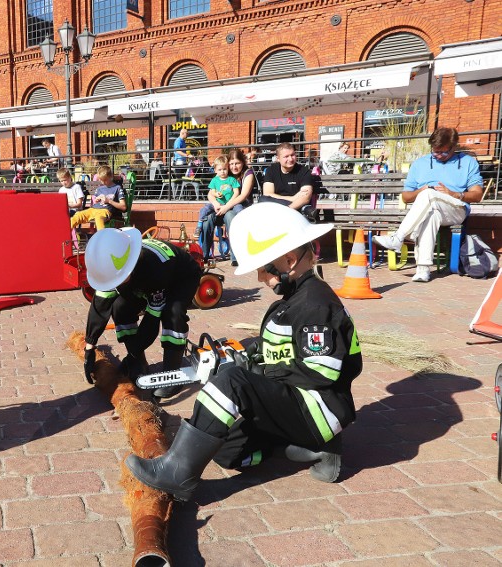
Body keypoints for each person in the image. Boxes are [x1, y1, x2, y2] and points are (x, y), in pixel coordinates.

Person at [126, 202, 362, 501]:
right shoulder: (294, 299)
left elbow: (321, 370)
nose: (262, 278)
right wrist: (247, 354)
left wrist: (254, 372)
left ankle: (177, 474)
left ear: (289, 259)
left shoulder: (315, 305)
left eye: (265, 269)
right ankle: (315, 449)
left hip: (318, 408)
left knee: (231, 383)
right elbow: (280, 350)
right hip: (296, 403)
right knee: (226, 450)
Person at [82, 227, 203, 399]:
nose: (113, 283)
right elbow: (99, 307)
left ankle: (173, 375)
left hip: (180, 276)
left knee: (172, 313)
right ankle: (139, 362)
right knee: (120, 307)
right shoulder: (112, 266)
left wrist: (130, 355)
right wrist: (89, 347)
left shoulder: (154, 271)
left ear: (129, 266)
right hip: (143, 277)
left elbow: (151, 322)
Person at [372, 127, 483, 283]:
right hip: (430, 207)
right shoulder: (420, 163)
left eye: (443, 152)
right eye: (435, 152)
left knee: (428, 196)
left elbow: (478, 195)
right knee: (431, 214)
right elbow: (405, 197)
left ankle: (398, 237)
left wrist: (454, 194)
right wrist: (420, 191)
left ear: (454, 147)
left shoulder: (467, 162)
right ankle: (423, 269)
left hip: (456, 209)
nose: (438, 156)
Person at [193, 156, 240, 260]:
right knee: (206, 216)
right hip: (217, 206)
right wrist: (215, 199)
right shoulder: (214, 180)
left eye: (224, 169)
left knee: (232, 219)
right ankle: (204, 254)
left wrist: (230, 203)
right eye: (220, 169)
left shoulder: (232, 180)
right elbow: (211, 193)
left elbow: (237, 192)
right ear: (215, 170)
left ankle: (235, 256)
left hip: (229, 207)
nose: (223, 172)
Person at [261, 142, 316, 221]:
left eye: (292, 155)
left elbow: (305, 198)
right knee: (263, 200)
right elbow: (267, 194)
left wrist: (287, 210)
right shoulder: (271, 170)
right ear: (278, 158)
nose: (290, 159)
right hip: (277, 207)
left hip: (294, 207)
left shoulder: (304, 171)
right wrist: (293, 198)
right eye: (286, 156)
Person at [223, 149, 257, 266]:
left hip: (243, 207)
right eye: (231, 164)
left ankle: (239, 255)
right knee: (215, 219)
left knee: (231, 216)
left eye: (237, 163)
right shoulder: (226, 174)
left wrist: (226, 207)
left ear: (242, 162)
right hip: (227, 207)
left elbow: (243, 195)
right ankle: (206, 255)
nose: (234, 166)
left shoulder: (248, 173)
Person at [70, 165, 125, 230]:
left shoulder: (117, 188)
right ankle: (63, 234)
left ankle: (101, 239)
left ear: (111, 177)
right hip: (93, 209)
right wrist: (97, 200)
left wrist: (109, 201)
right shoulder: (99, 189)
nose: (103, 182)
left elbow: (123, 207)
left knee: (99, 219)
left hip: (104, 211)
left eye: (105, 180)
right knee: (78, 216)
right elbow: (95, 202)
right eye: (101, 180)